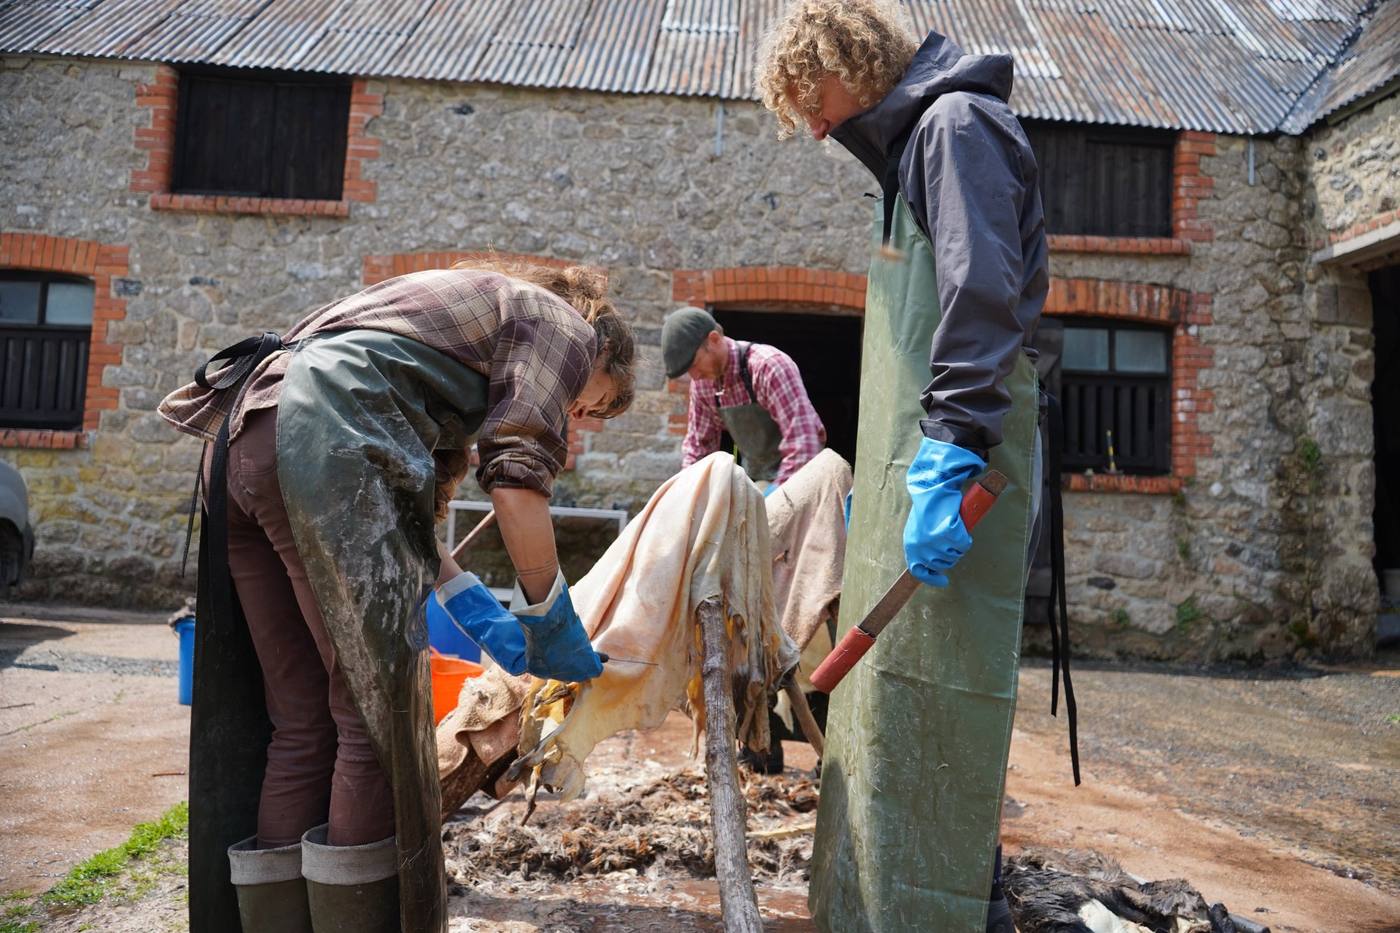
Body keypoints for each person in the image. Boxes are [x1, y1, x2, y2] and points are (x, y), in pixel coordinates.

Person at [159, 258, 634, 933]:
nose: (575, 419)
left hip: (242, 439)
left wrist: (479, 609)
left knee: (300, 720)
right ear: (601, 348)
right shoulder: (564, 327)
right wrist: (551, 617)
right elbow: (517, 479)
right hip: (319, 436)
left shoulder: (445, 330)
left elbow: (415, 523)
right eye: (587, 403)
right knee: (372, 720)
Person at [758, 3, 1076, 931]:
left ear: (853, 65)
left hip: (967, 461)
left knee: (947, 695)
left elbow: (980, 295)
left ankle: (942, 906)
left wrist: (950, 453)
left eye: (812, 102)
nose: (815, 127)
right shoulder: (906, 160)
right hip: (922, 457)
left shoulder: (956, 127)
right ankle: (888, 899)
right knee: (894, 701)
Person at [663, 306, 826, 492]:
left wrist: (774, 498)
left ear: (714, 339)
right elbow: (699, 449)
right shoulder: (703, 385)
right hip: (757, 481)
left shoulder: (769, 367)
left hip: (802, 479)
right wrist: (686, 494)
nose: (695, 376)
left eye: (694, 364)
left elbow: (803, 444)